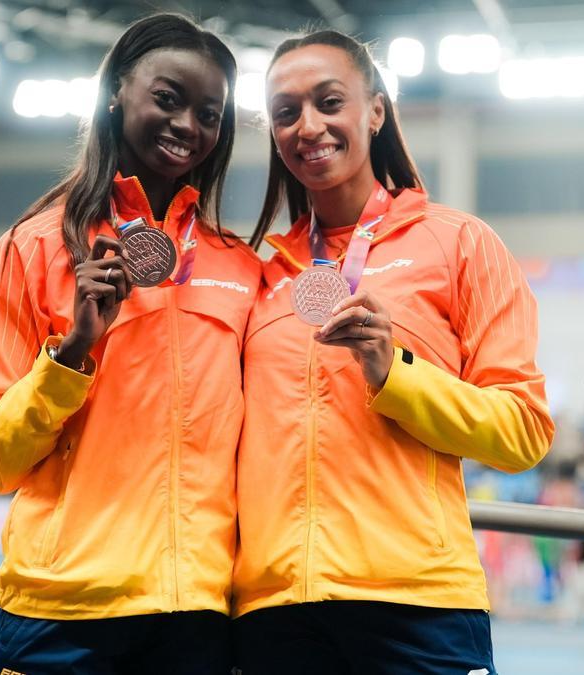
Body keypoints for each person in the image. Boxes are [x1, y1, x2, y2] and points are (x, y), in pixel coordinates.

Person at [233, 30, 554, 674]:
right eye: (287, 112)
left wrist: (394, 372)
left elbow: (522, 432)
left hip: (417, 608)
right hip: (275, 615)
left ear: (375, 111)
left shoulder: (461, 245)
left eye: (330, 102)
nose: (310, 126)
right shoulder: (262, 275)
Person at [0, 14, 259, 674]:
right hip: (60, 614)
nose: (188, 125)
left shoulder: (240, 268)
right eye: (168, 98)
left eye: (209, 113)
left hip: (194, 618)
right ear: (119, 91)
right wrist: (72, 353)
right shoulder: (32, 248)